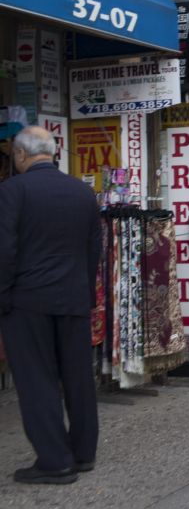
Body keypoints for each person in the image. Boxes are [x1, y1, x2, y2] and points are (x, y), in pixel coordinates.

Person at [0, 127, 100, 484]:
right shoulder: (82, 192)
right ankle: (84, 452)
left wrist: (3, 296)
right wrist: (85, 296)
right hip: (72, 298)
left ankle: (55, 461)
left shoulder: (12, 191)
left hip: (28, 301)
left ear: (22, 155)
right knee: (78, 377)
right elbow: (93, 252)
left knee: (37, 380)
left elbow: (5, 251)